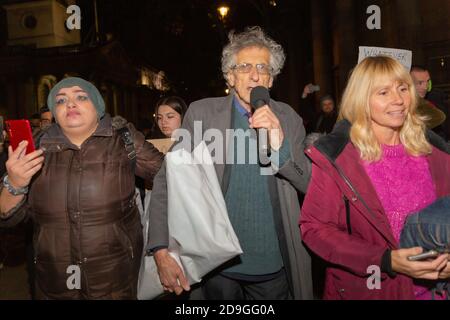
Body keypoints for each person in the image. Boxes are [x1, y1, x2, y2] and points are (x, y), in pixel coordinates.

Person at [148, 26, 313, 300]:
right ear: (230, 76)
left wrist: (279, 145)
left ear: (271, 80)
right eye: (244, 66)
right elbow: (168, 182)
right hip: (217, 264)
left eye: (263, 67)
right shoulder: (202, 114)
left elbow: (307, 182)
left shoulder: (289, 118)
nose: (255, 74)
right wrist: (160, 249)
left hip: (273, 266)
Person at [300, 56, 450, 300]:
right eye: (383, 92)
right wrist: (385, 259)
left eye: (403, 88)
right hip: (372, 290)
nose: (398, 100)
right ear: (362, 100)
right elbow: (315, 229)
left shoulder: (436, 153)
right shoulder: (340, 158)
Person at [0, 77, 164, 299]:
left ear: (97, 106)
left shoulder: (123, 139)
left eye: (81, 96)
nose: (70, 104)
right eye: (60, 100)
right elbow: (8, 218)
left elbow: (169, 176)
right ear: (54, 114)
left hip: (115, 279)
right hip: (54, 281)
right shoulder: (34, 148)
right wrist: (15, 183)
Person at [411, 65, 449, 140]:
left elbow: (441, 117)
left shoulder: (433, 98)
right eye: (420, 83)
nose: (425, 87)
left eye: (428, 81)